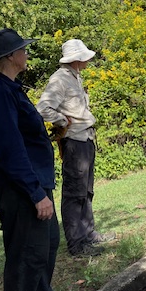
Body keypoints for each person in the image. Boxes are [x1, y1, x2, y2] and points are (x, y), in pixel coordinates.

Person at [0, 28, 81, 291]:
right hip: (18, 187)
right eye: (22, 49)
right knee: (26, 255)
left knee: (45, 247)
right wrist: (35, 193)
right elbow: (8, 147)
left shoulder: (9, 88)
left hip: (32, 181)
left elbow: (23, 137)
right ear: (10, 57)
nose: (26, 53)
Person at [37, 39, 115, 256]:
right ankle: (77, 243)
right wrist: (62, 120)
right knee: (74, 192)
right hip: (74, 141)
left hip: (86, 138)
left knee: (87, 190)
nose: (88, 59)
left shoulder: (75, 77)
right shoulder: (60, 79)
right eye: (85, 56)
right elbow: (42, 108)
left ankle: (88, 234)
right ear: (76, 58)